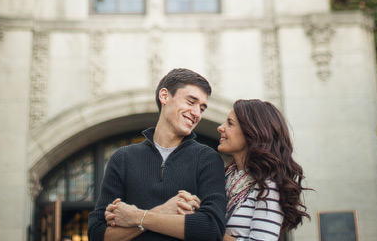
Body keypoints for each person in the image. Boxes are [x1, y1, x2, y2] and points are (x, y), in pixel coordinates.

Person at [88, 68, 226, 241]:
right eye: (191, 102)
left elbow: (211, 229)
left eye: (202, 108)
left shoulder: (207, 159)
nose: (197, 113)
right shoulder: (123, 159)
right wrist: (163, 211)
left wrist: (136, 217)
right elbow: (97, 234)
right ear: (164, 96)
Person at [215, 99, 309, 240]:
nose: (220, 128)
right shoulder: (223, 177)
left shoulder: (269, 185)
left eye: (230, 123)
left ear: (251, 132)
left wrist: (206, 231)